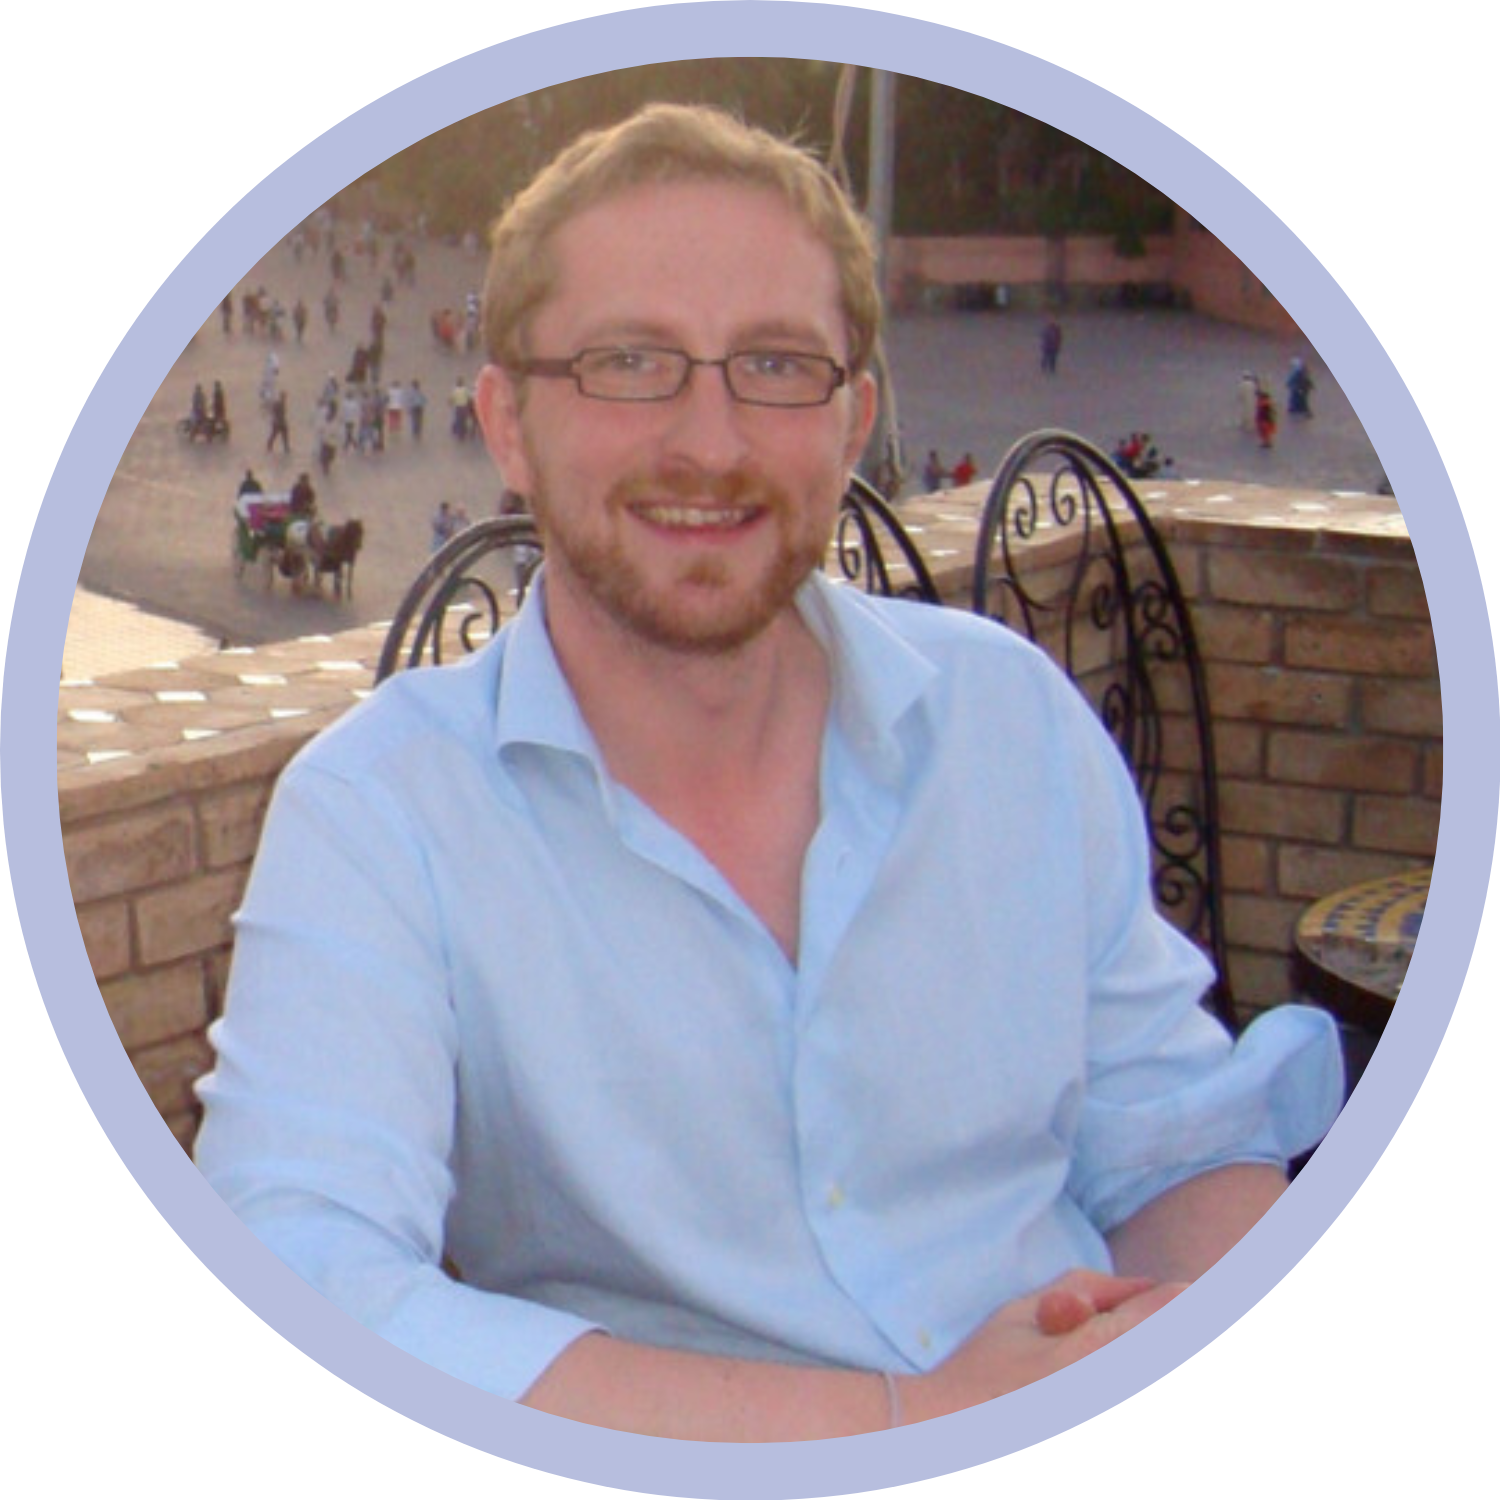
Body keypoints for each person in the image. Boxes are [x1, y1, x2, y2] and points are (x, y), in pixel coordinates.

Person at [195, 103, 1340, 1441]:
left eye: (778, 365)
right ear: (506, 421)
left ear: (853, 422)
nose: (712, 442)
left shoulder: (1009, 716)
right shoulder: (381, 813)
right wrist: (910, 1421)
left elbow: (1175, 1137)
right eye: (630, 362)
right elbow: (302, 1271)